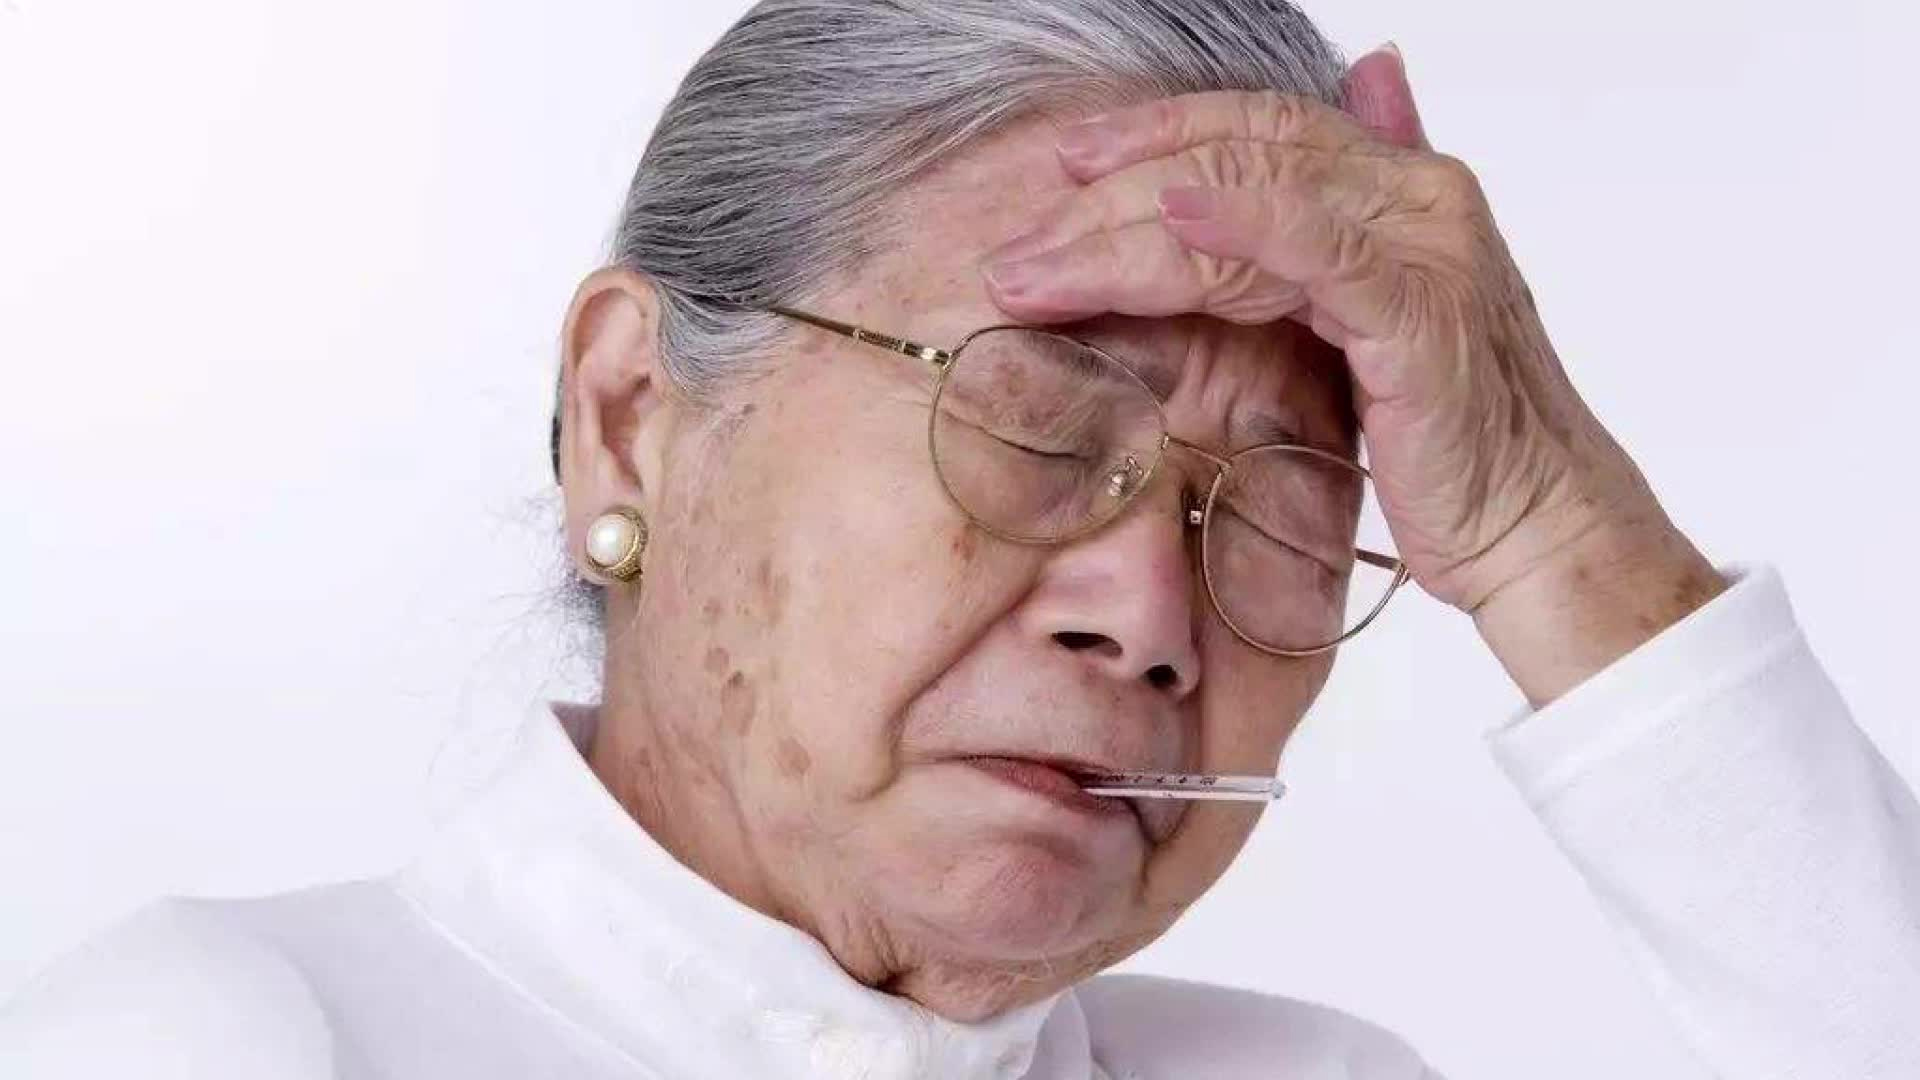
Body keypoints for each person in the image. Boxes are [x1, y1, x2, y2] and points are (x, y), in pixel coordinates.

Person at [4, 1, 1916, 1077]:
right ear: (633, 413)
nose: (1151, 618)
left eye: (1281, 509)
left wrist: (1550, 523)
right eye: (1033, 424)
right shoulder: (227, 1043)